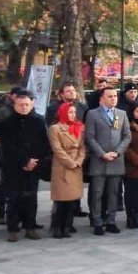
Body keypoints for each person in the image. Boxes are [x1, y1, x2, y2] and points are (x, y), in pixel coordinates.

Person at [0, 90, 51, 242]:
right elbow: (8, 147)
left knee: (31, 198)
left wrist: (35, 161)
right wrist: (24, 161)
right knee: (13, 198)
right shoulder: (6, 124)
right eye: (21, 105)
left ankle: (30, 227)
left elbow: (44, 144)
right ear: (15, 105)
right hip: (13, 167)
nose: (24, 107)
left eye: (27, 104)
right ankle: (12, 228)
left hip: (34, 166)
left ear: (32, 104)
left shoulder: (38, 121)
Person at [84, 88, 131, 236]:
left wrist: (117, 152)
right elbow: (90, 137)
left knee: (113, 193)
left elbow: (127, 135)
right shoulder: (92, 114)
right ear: (102, 99)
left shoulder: (121, 114)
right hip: (99, 160)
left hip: (116, 160)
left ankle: (111, 221)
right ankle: (97, 221)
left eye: (115, 96)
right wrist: (102, 153)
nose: (113, 99)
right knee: (97, 193)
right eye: (110, 96)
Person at [47, 102, 86, 240]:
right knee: (61, 200)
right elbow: (57, 149)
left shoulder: (79, 127)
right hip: (62, 166)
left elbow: (82, 147)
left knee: (72, 200)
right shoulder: (55, 128)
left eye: (74, 112)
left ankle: (68, 225)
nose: (73, 115)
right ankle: (57, 226)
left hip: (76, 166)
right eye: (70, 112)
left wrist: (79, 161)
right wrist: (70, 162)